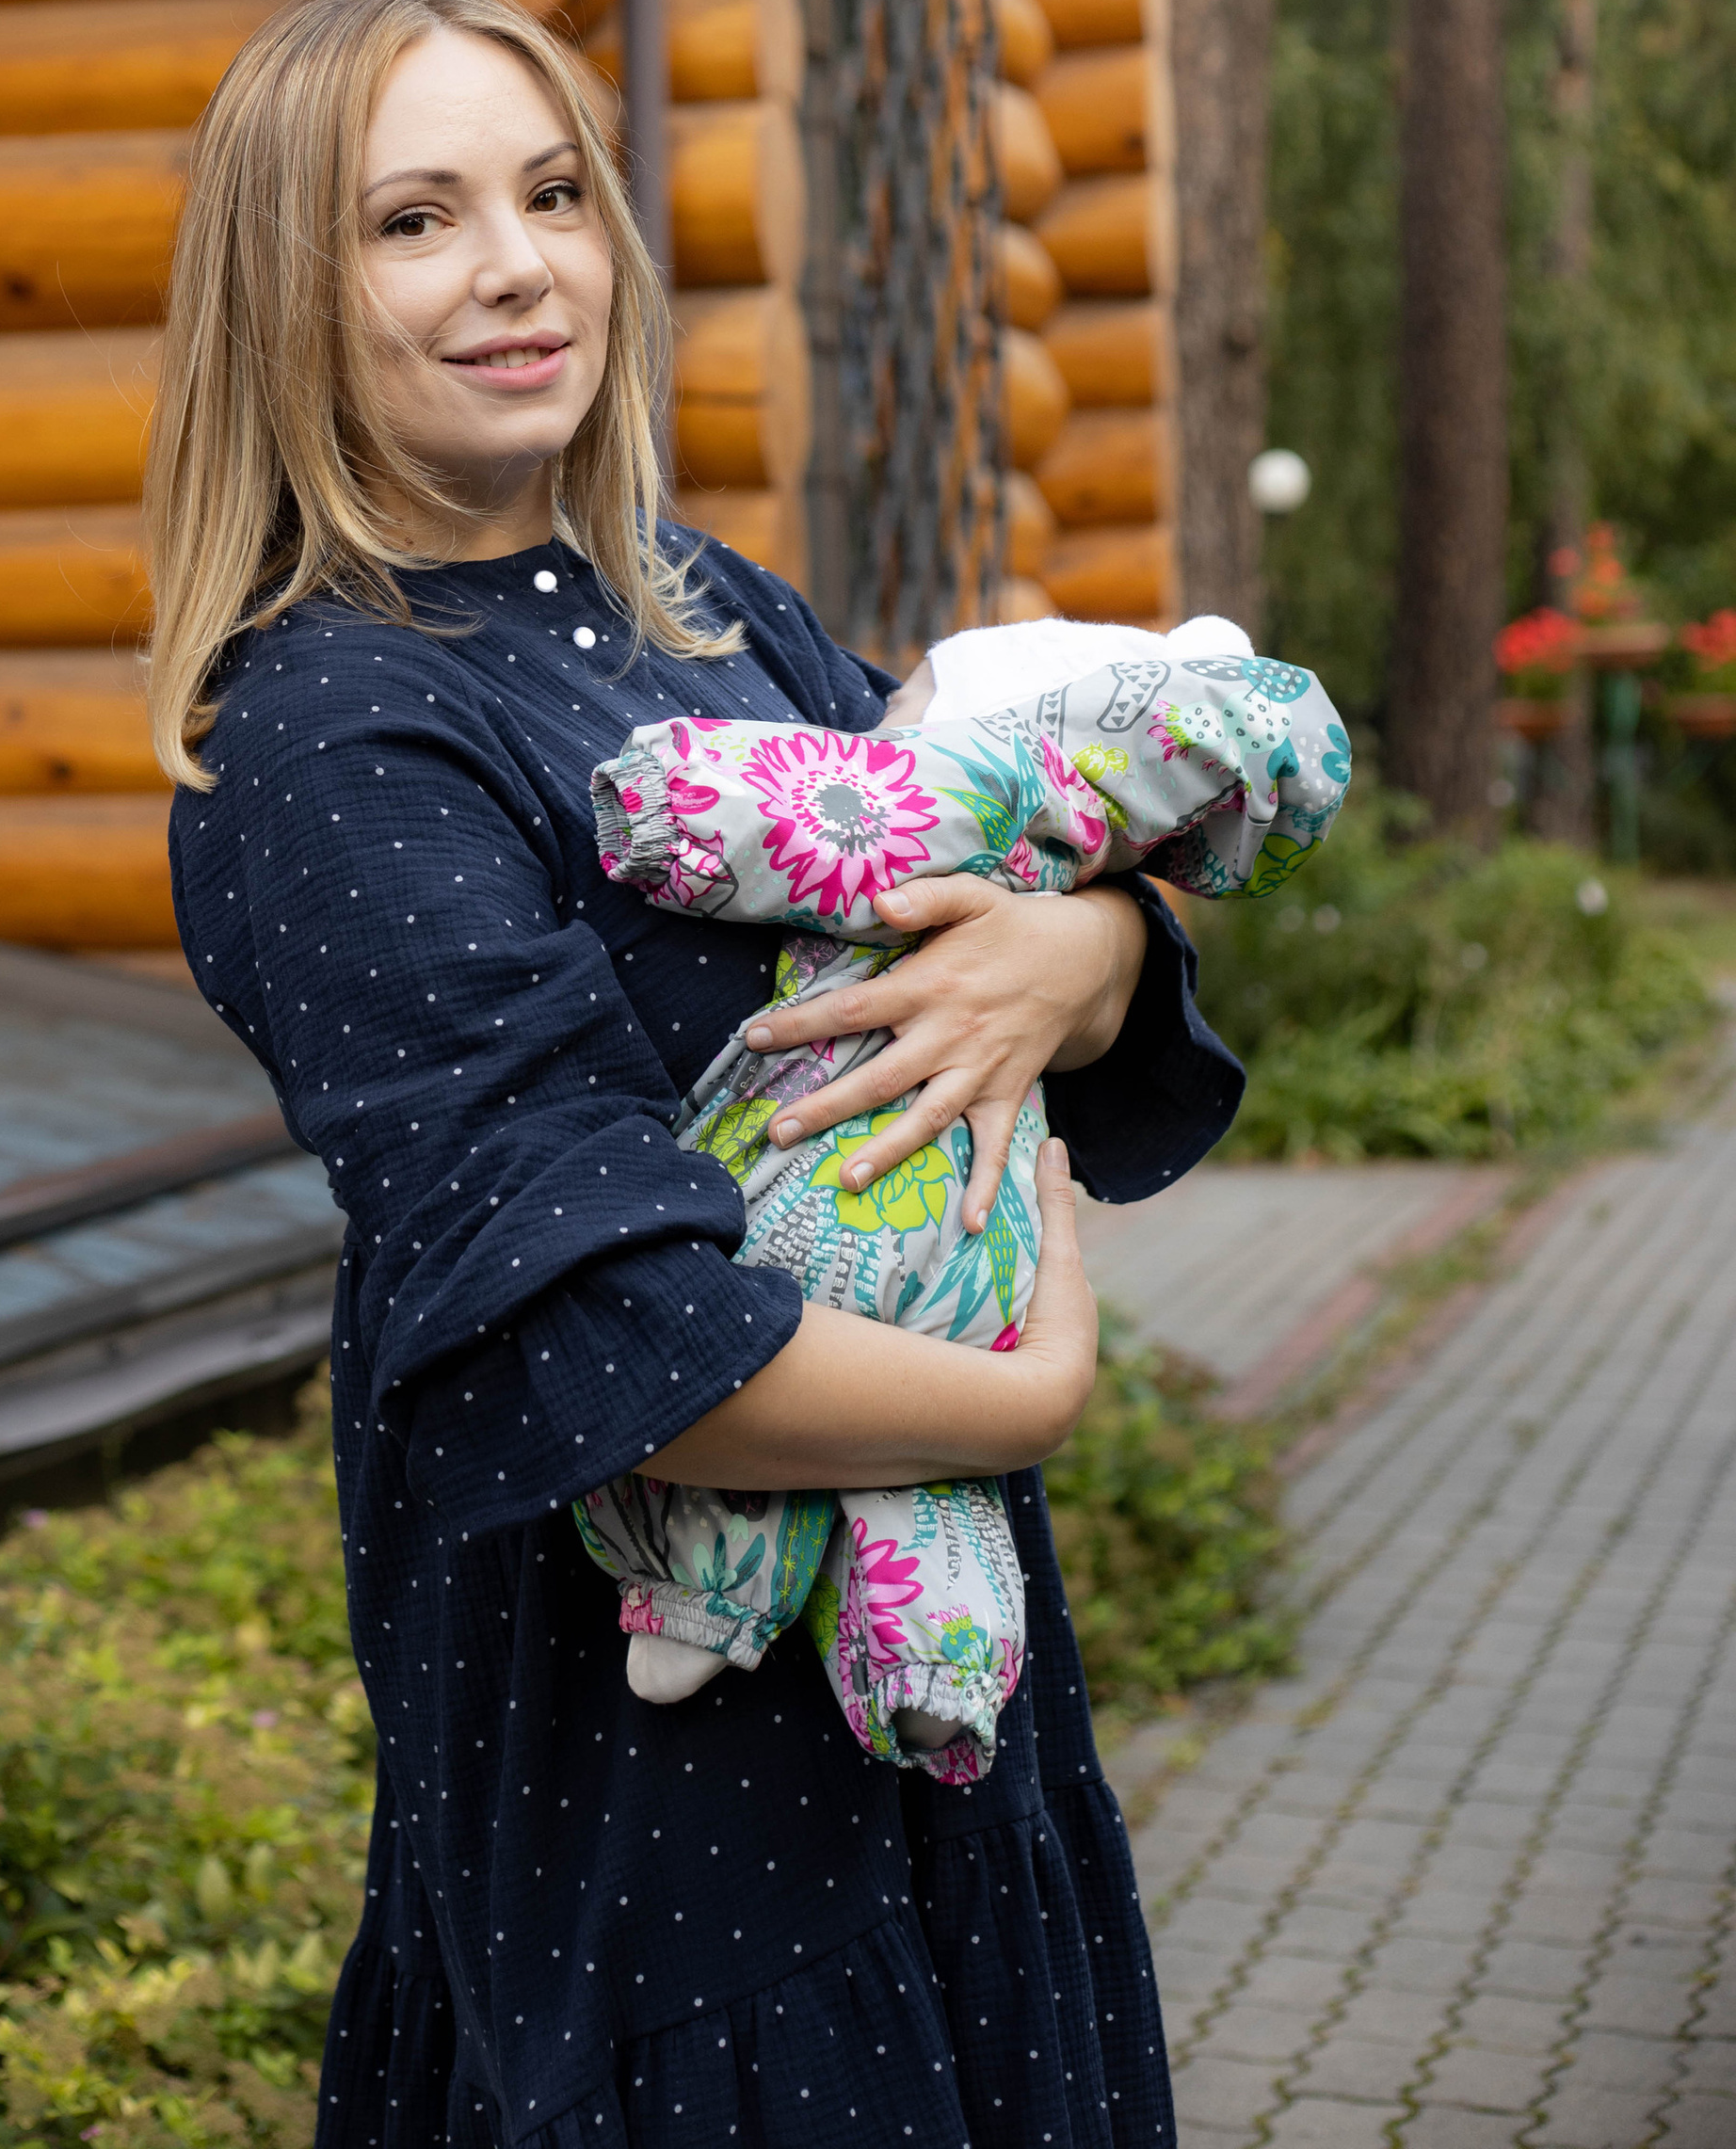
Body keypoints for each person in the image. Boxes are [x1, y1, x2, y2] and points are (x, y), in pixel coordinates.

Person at [152, 0, 1245, 2149]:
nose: (515, 263)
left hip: (930, 1677)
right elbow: (597, 1325)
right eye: (411, 219)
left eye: (551, 188)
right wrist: (1029, 1387)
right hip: (646, 1766)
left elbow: (980, 859)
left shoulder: (693, 602)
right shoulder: (332, 735)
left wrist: (1086, 941)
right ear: (287, 286)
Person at [574, 617, 1348, 1773]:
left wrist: (664, 804)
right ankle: (938, 1669)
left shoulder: (958, 785)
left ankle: (705, 1600)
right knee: (929, 1477)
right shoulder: (1055, 831)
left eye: (912, 701)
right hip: (976, 1265)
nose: (879, 715)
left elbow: (797, 811)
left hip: (813, 1204)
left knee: (856, 1415)